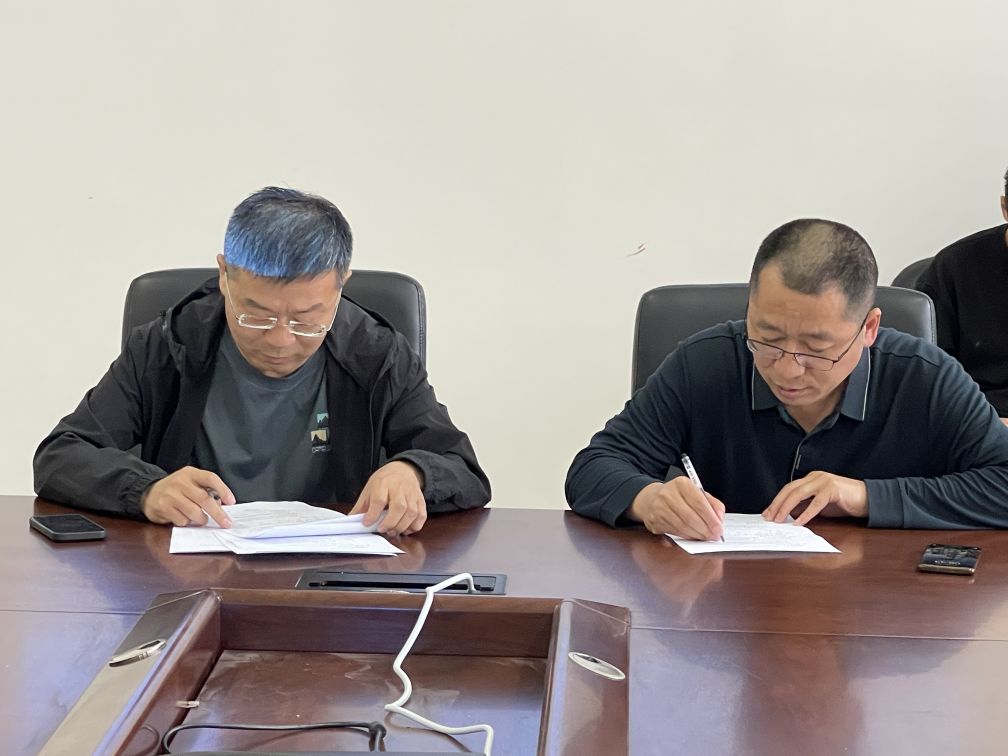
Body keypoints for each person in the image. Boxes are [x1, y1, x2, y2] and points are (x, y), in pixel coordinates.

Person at [34, 187, 491, 536]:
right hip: (191, 573)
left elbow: (464, 470)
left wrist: (413, 471)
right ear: (224, 275)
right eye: (256, 315)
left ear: (341, 285)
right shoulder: (170, 345)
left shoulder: (375, 354)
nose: (280, 339)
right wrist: (146, 489)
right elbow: (61, 456)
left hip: (329, 575)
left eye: (307, 320)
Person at [566, 219, 1008, 539]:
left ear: (869, 329)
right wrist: (647, 499)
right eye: (768, 338)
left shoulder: (925, 378)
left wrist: (865, 497)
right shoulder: (706, 362)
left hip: (879, 611)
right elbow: (592, 467)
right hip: (721, 606)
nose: (787, 369)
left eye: (817, 348)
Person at [916, 166, 1008, 424]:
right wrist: (985, 424)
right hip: (981, 419)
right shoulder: (954, 269)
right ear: (1005, 207)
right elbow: (928, 379)